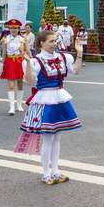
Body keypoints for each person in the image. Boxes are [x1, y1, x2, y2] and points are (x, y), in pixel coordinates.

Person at [15, 30, 83, 185]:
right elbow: (31, 82)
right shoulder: (35, 61)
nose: (54, 44)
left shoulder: (62, 57)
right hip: (45, 100)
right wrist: (27, 62)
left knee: (57, 138)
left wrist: (80, 53)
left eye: (55, 41)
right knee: (48, 139)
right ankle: (46, 173)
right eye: (51, 41)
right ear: (41, 43)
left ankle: (56, 171)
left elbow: (76, 71)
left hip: (60, 98)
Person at [0, 19, 28, 115]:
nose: (13, 30)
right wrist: (2, 64)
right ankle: (11, 107)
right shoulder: (5, 39)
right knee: (11, 85)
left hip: (19, 61)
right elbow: (4, 53)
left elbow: (26, 52)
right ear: (9, 29)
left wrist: (22, 51)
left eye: (15, 28)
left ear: (18, 28)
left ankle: (19, 105)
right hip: (10, 62)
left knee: (20, 83)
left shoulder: (22, 39)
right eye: (11, 28)